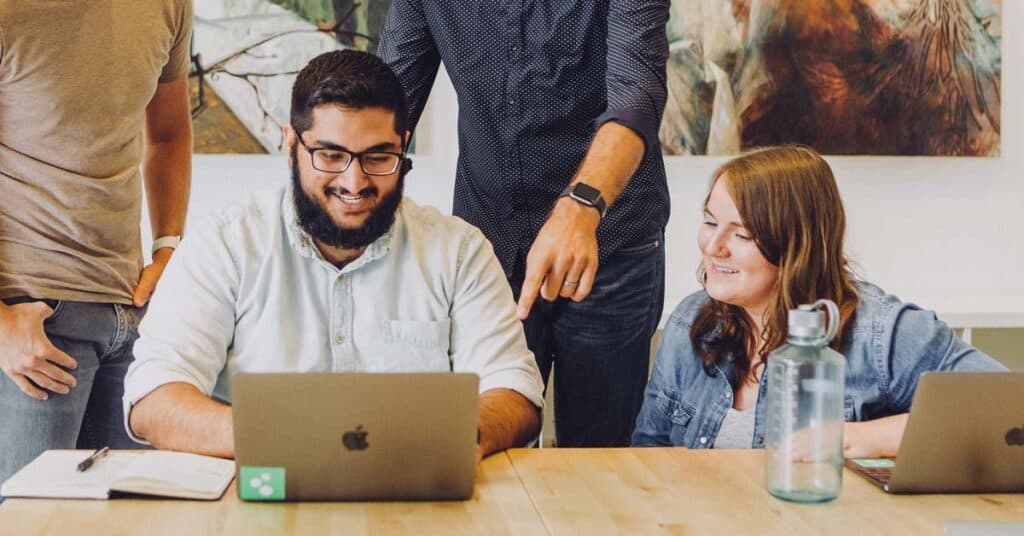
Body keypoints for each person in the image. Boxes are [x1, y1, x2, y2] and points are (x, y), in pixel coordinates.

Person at [123, 51, 543, 460]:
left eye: (379, 157)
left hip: (416, 505)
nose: (354, 181)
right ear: (291, 145)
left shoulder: (458, 252)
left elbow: (516, 392)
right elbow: (153, 397)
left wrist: (453, 437)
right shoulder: (225, 245)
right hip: (257, 504)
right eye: (331, 155)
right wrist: (292, 441)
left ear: (403, 146)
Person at [378, 0, 671, 447]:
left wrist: (580, 207)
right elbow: (384, 99)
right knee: (485, 443)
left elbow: (637, 95)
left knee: (598, 457)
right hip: (489, 243)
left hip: (610, 241)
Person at [632, 146, 1005, 456]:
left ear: (796, 246)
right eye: (711, 222)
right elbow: (649, 458)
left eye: (742, 235)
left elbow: (1006, 412)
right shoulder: (690, 321)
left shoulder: (882, 333)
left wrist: (856, 438)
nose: (713, 248)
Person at [0, 1, 193, 482]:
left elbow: (168, 135)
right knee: (31, 524)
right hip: (34, 322)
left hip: (131, 315)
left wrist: (168, 248)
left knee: (120, 523)